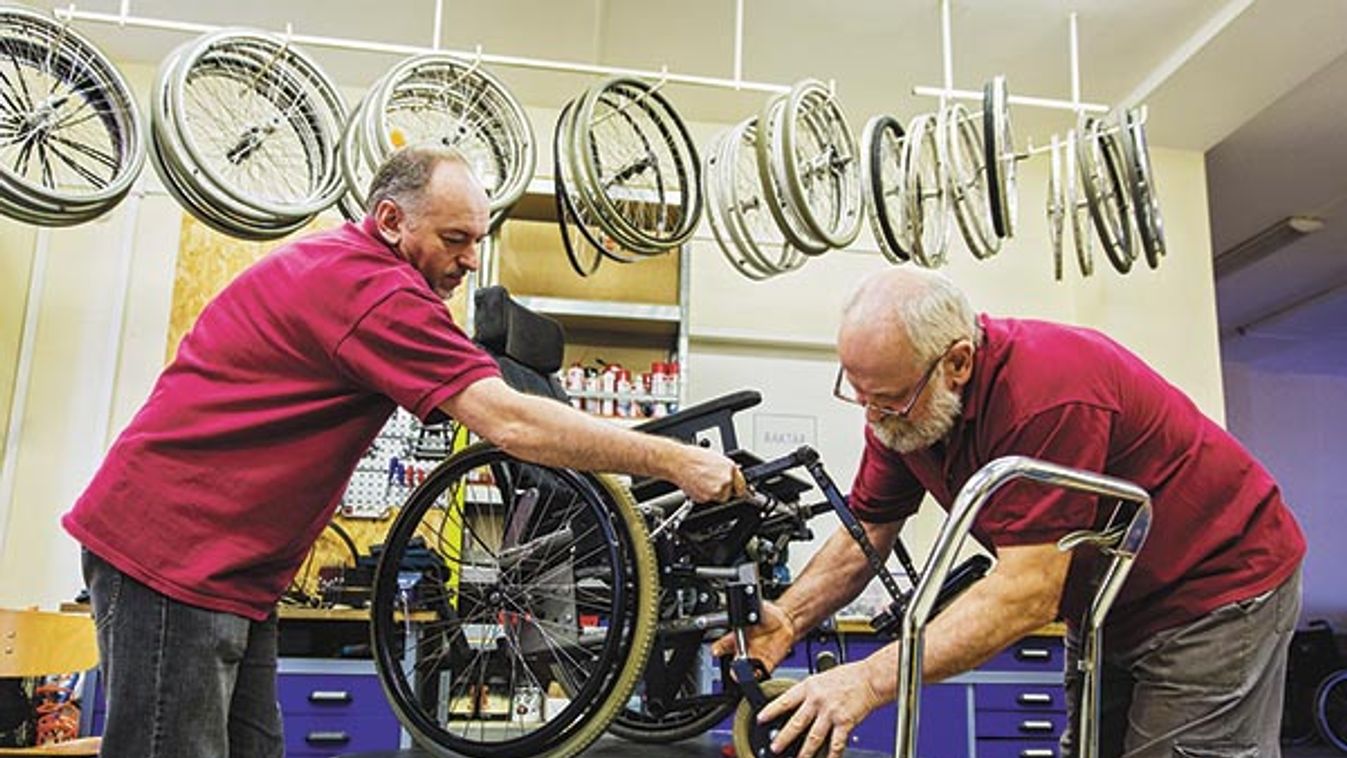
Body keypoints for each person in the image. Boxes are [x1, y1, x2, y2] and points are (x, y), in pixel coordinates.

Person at [62, 146, 745, 758]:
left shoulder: (355, 272)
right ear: (391, 221)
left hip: (230, 571)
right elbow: (506, 421)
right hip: (171, 556)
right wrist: (674, 460)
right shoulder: (370, 291)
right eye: (454, 238)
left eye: (479, 239)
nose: (471, 259)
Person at [715, 267, 1305, 758]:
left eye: (888, 397)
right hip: (1106, 607)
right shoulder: (903, 414)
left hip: (1217, 589)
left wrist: (868, 679)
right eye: (858, 393)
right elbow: (867, 528)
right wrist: (789, 618)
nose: (872, 415)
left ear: (959, 363)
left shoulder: (1048, 394)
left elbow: (1027, 592)